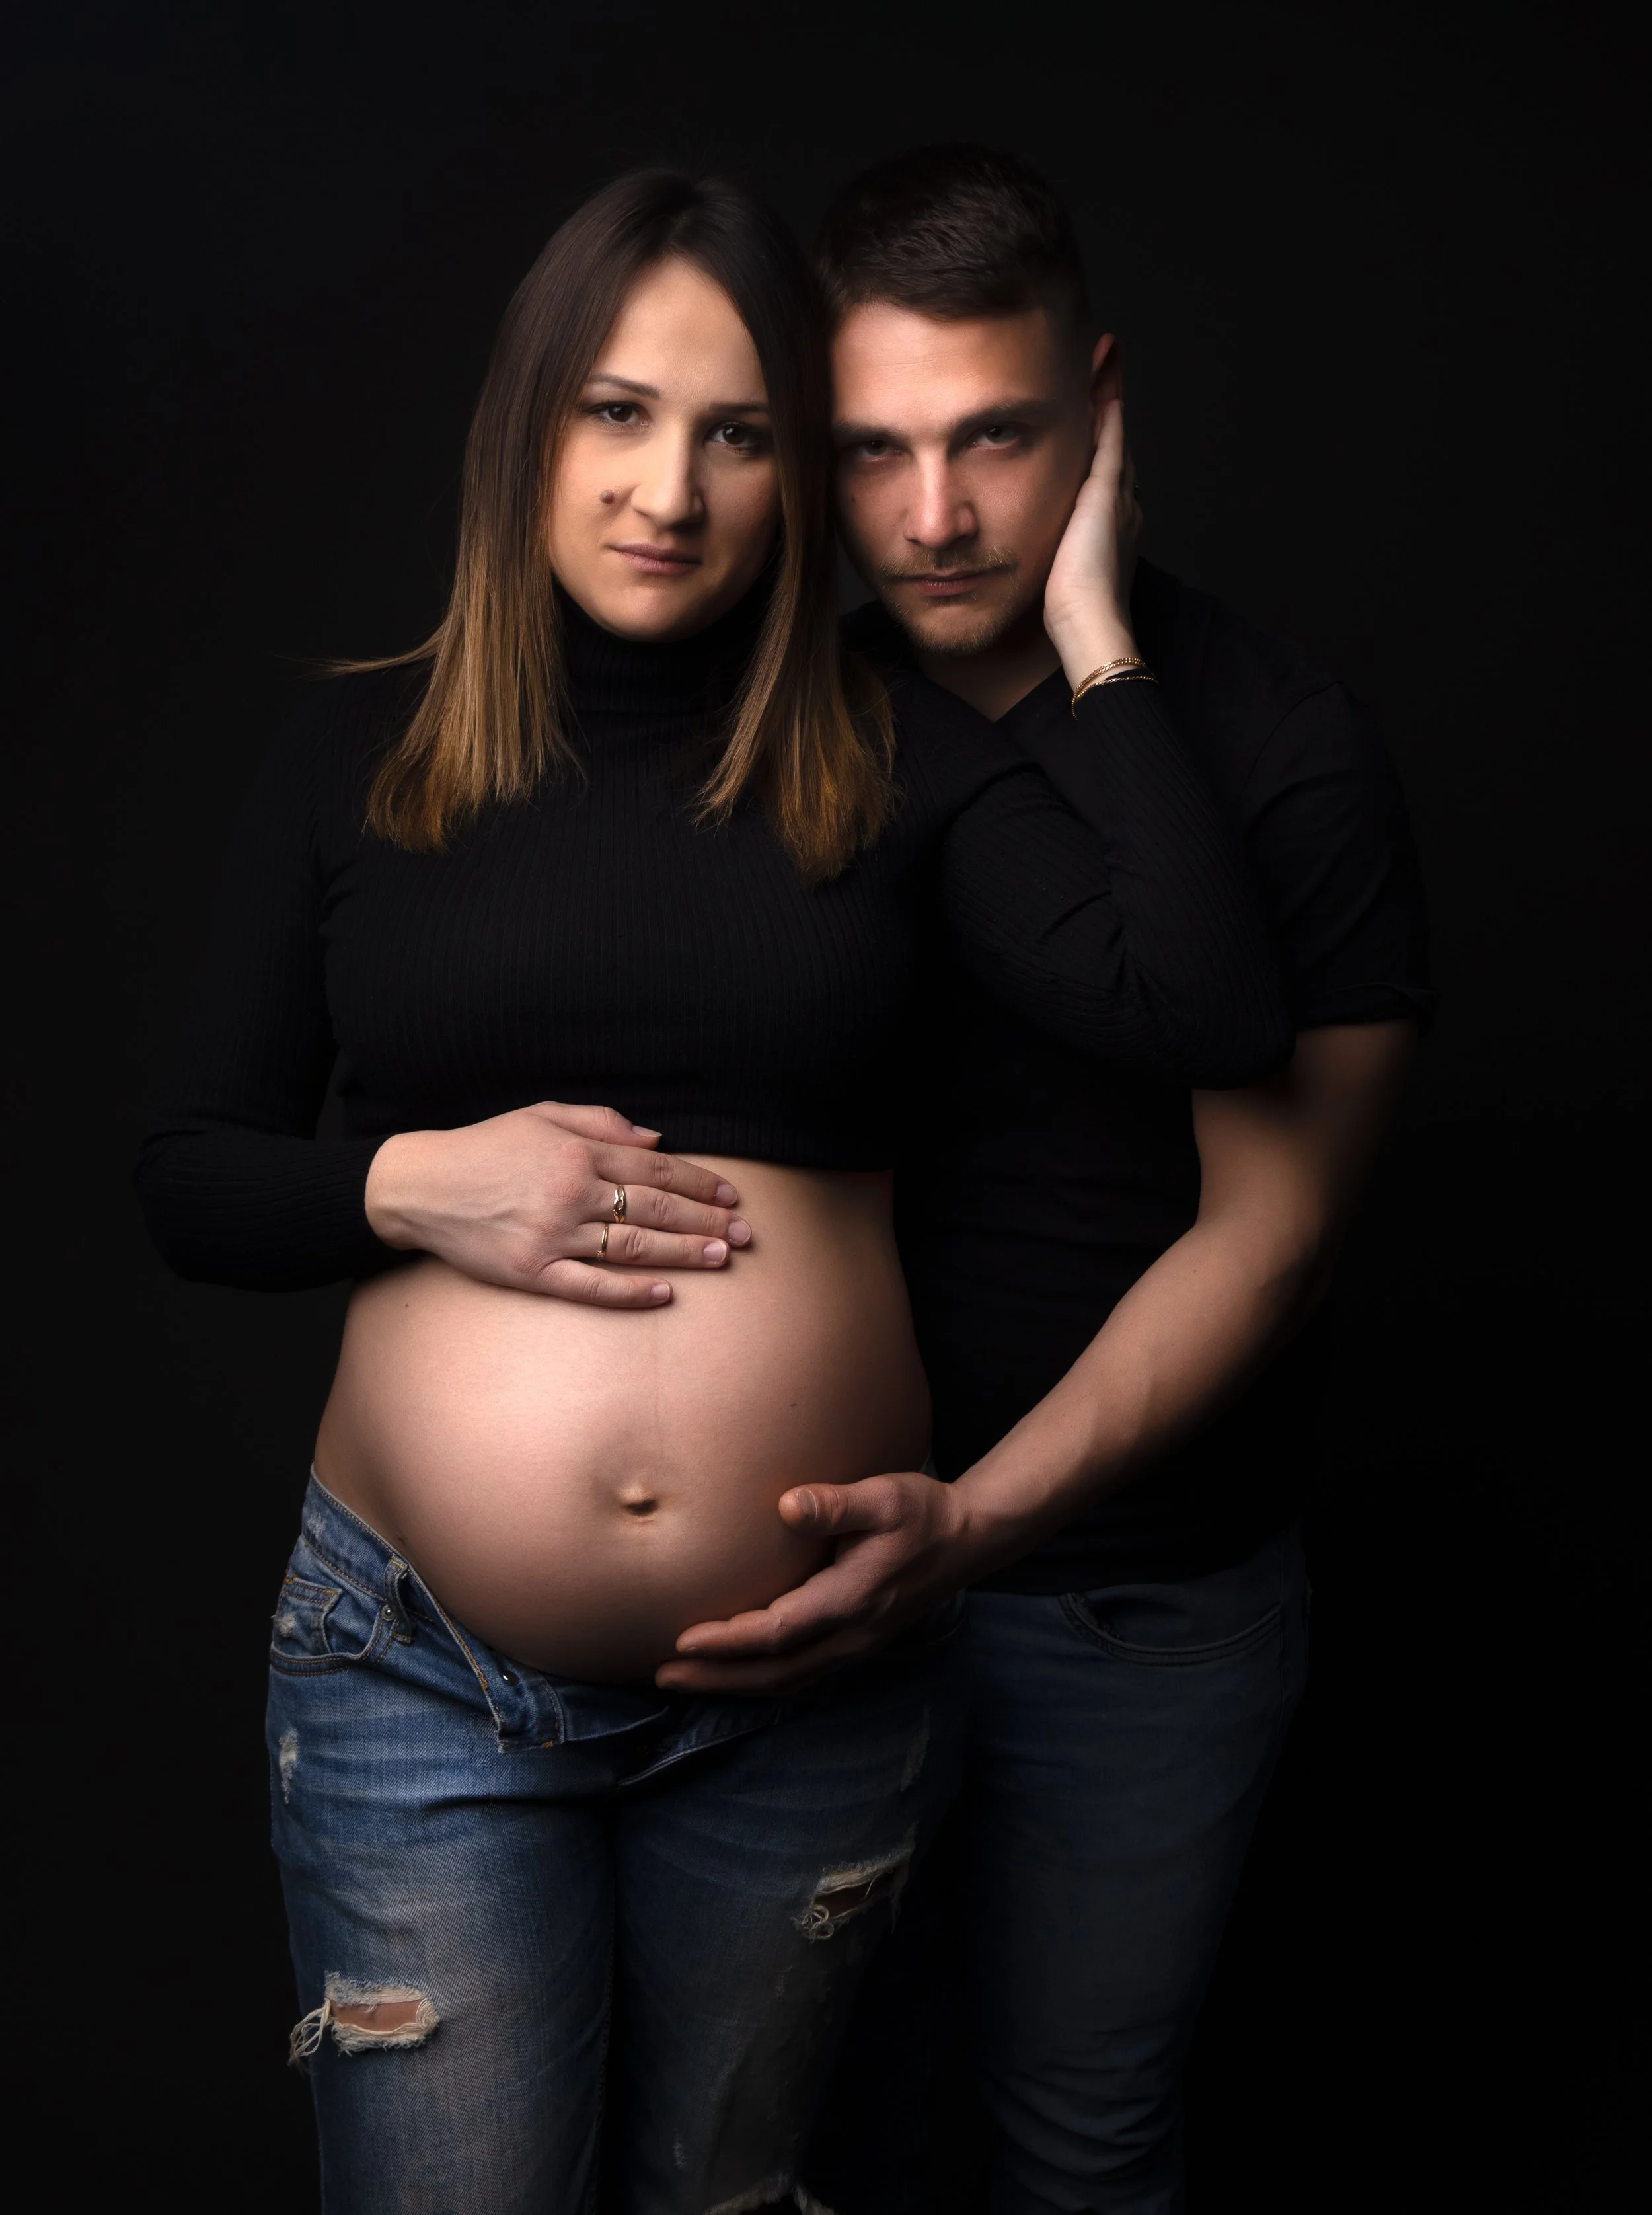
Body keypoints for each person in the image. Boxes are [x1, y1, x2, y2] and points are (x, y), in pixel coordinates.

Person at [135, 167, 1291, 2212]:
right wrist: (417, 1184)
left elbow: (1203, 999)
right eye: (616, 413)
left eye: (740, 432)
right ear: (526, 428)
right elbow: (188, 1179)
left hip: (807, 1690)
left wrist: (1093, 627)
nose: (669, 485)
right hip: (419, 1671)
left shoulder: (894, 761)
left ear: (797, 478)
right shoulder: (360, 761)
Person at [660, 148, 1434, 2213]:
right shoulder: (782, 712)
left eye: (995, 437)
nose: (933, 517)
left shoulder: (1285, 751)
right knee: (780, 2147)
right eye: (874, 452)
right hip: (804, 1580)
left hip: (1134, 1597)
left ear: (1094, 404)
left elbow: (1267, 1235)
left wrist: (1095, 645)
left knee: (1073, 2148)